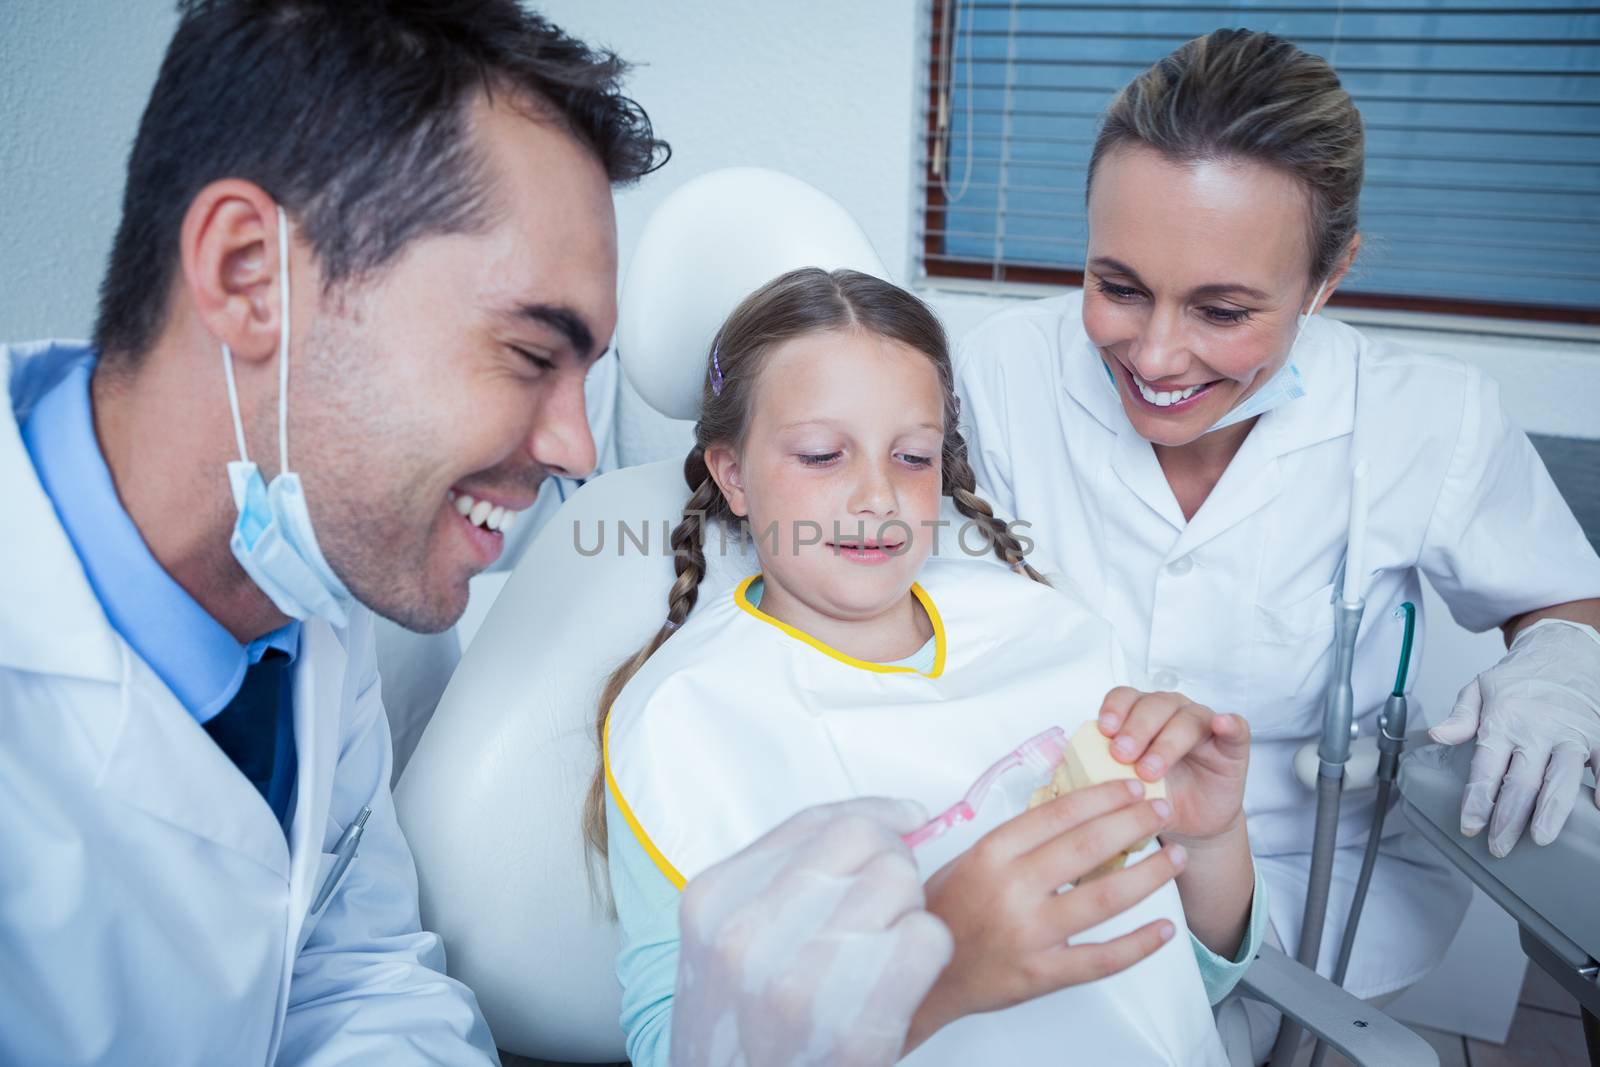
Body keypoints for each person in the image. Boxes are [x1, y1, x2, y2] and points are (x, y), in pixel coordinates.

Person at [0, 3, 951, 1063]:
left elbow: (344, 970)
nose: (578, 451)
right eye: (528, 354)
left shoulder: (309, 582)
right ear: (247, 276)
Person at [952, 26, 1600, 1057]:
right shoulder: (1001, 371)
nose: (1155, 353)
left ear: (1327, 276)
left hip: (1303, 878)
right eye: (1116, 285)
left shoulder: (1426, 417)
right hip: (1044, 834)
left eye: (1222, 309)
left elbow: (1562, 594)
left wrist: (1561, 663)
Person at [591, 267, 1272, 1065]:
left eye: (912, 457)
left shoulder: (1052, 634)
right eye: (821, 454)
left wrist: (1213, 835)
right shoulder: (686, 720)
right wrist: (936, 973)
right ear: (732, 473)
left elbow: (1183, 979)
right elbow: (678, 1048)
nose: (878, 496)